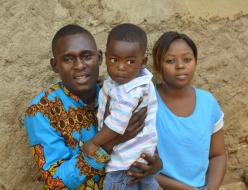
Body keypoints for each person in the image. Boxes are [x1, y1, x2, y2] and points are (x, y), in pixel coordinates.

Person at [24, 24, 162, 190]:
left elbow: (147, 140)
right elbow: (55, 183)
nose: (80, 65)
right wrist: (108, 144)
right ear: (55, 65)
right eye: (68, 59)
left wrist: (155, 165)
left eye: (87, 56)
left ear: (100, 58)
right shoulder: (41, 111)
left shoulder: (121, 93)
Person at [84, 23, 159, 190]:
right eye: (114, 60)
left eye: (130, 61)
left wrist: (94, 143)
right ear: (106, 57)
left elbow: (117, 125)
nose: (121, 67)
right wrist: (108, 83)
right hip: (141, 161)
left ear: (143, 62)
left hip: (123, 166)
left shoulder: (131, 92)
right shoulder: (139, 81)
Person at [152, 32, 227, 190]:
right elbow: (138, 165)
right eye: (170, 61)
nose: (180, 66)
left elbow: (218, 155)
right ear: (158, 66)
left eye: (187, 59)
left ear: (195, 61)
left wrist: (211, 187)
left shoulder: (208, 103)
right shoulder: (148, 102)